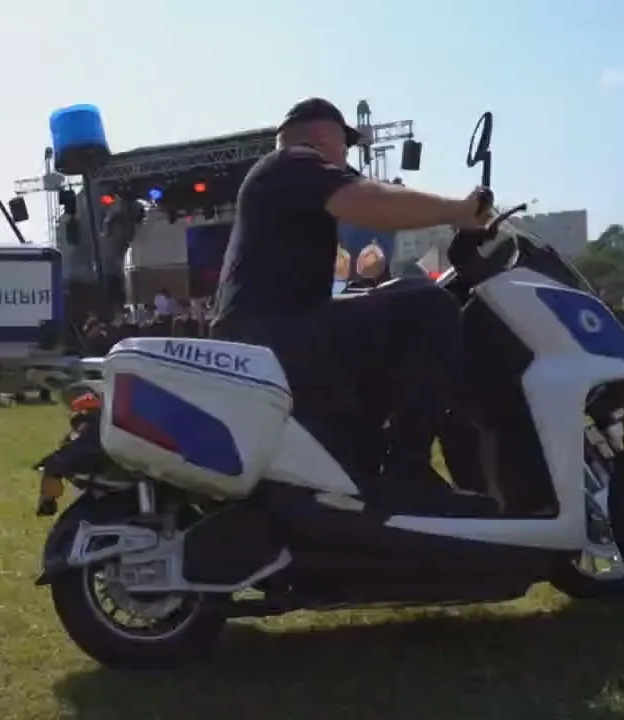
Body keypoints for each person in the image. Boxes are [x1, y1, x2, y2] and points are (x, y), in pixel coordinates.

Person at [210, 97, 491, 509]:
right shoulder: (293, 162)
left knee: (396, 307)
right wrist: (460, 211)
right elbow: (370, 200)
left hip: (270, 333)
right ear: (325, 137)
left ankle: (369, 470)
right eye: (345, 147)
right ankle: (409, 474)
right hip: (275, 334)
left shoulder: (279, 179)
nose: (346, 160)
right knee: (430, 307)